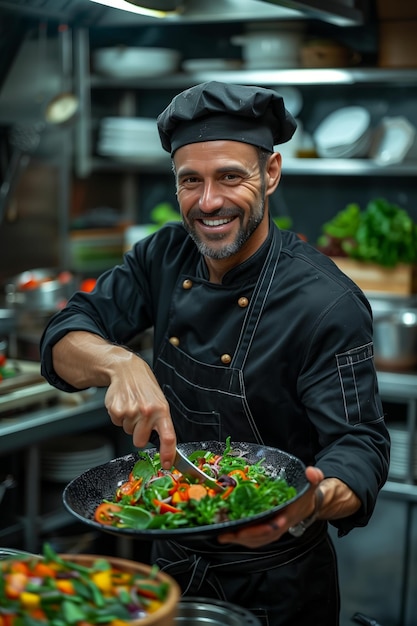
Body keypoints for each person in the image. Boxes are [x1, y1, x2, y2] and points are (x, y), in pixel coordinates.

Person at [40, 81, 390, 625]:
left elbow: (360, 449)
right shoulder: (164, 254)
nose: (209, 202)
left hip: (277, 583)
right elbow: (65, 333)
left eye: (231, 176)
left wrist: (302, 506)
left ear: (270, 174)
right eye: (190, 181)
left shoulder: (326, 302)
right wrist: (119, 362)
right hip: (167, 563)